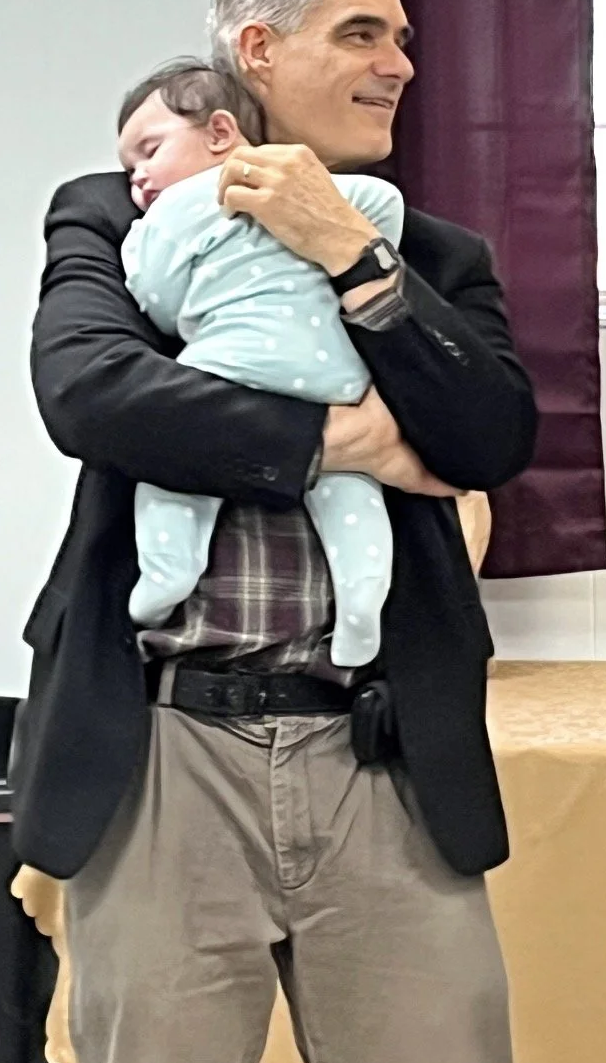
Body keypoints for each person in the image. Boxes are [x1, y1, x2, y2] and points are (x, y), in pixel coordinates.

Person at [11, 0, 537, 1063]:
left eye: (402, 39)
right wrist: (338, 441)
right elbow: (95, 394)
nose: (399, 63)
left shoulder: (429, 250)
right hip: (164, 751)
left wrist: (351, 256)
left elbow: (491, 431)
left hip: (384, 756)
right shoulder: (119, 213)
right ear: (260, 49)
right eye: (361, 33)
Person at [119, 60, 404, 666]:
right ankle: (360, 605)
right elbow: (384, 202)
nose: (137, 176)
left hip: (230, 366)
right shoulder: (314, 189)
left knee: (177, 465)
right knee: (351, 488)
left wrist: (157, 273)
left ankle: (168, 574)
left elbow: (160, 302)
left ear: (220, 133)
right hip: (337, 377)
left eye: (148, 150)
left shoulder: (174, 210)